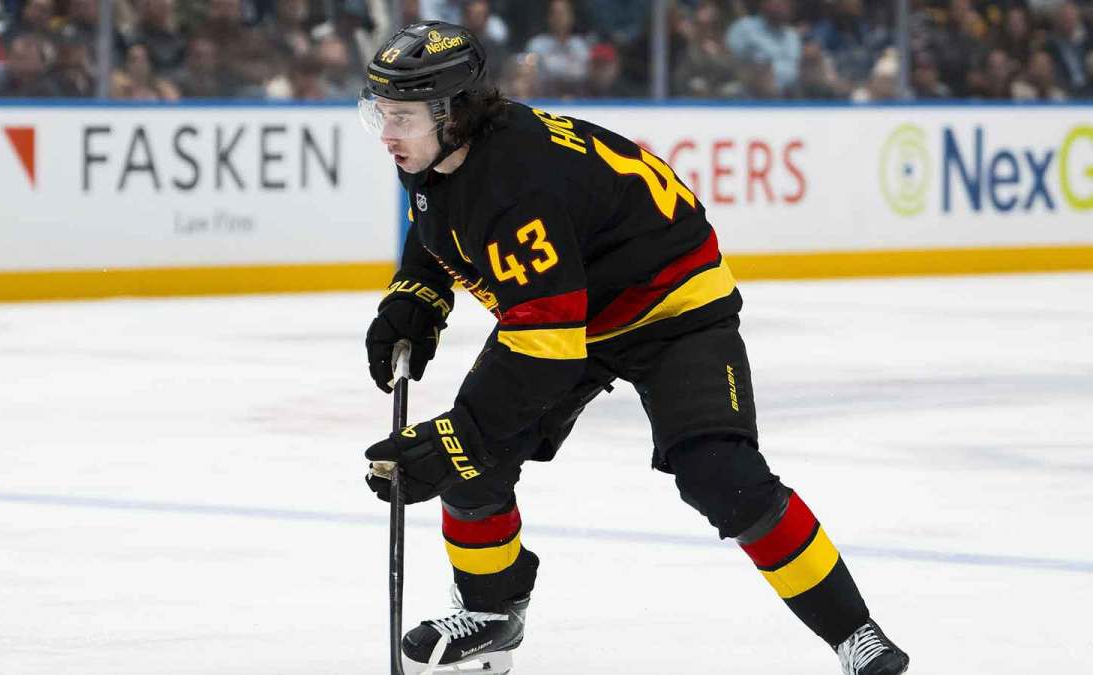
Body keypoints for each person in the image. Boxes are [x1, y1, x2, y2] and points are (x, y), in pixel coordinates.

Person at [358, 21, 911, 675]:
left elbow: (546, 347)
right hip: (578, 305)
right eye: (381, 115)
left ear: (453, 114)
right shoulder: (441, 152)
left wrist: (456, 439)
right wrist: (415, 298)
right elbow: (439, 220)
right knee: (476, 451)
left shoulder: (518, 185)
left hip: (673, 308)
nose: (388, 135)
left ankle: (857, 633)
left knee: (720, 475)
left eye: (402, 117)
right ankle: (490, 613)